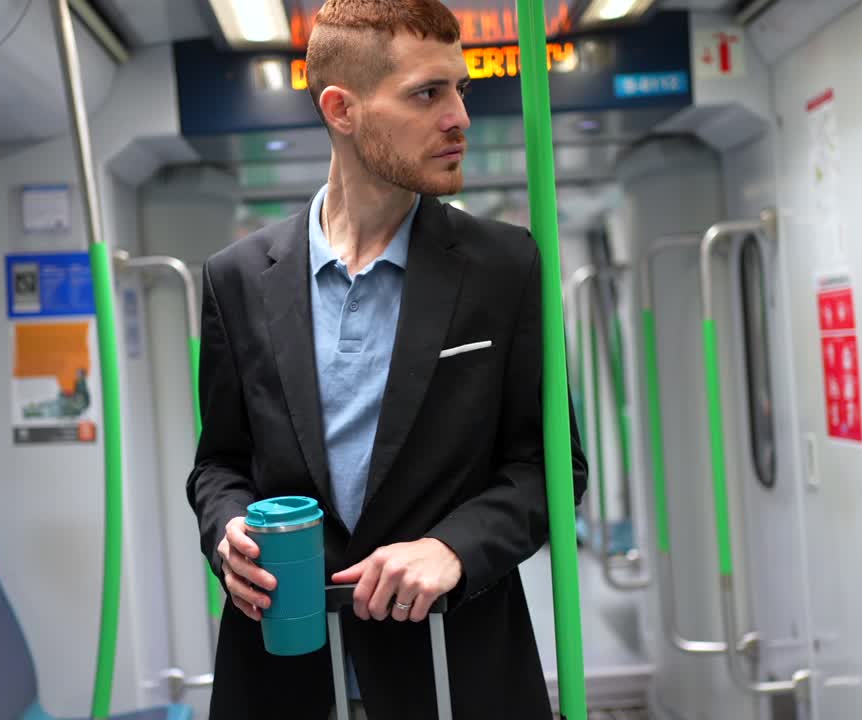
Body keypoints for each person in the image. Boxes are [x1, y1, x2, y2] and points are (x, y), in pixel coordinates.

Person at [186, 0, 589, 717]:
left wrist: (455, 548)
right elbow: (219, 463)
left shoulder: (505, 267)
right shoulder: (236, 278)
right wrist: (229, 530)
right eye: (427, 93)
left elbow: (549, 466)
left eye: (460, 90)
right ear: (342, 109)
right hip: (285, 668)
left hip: (454, 663)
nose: (460, 117)